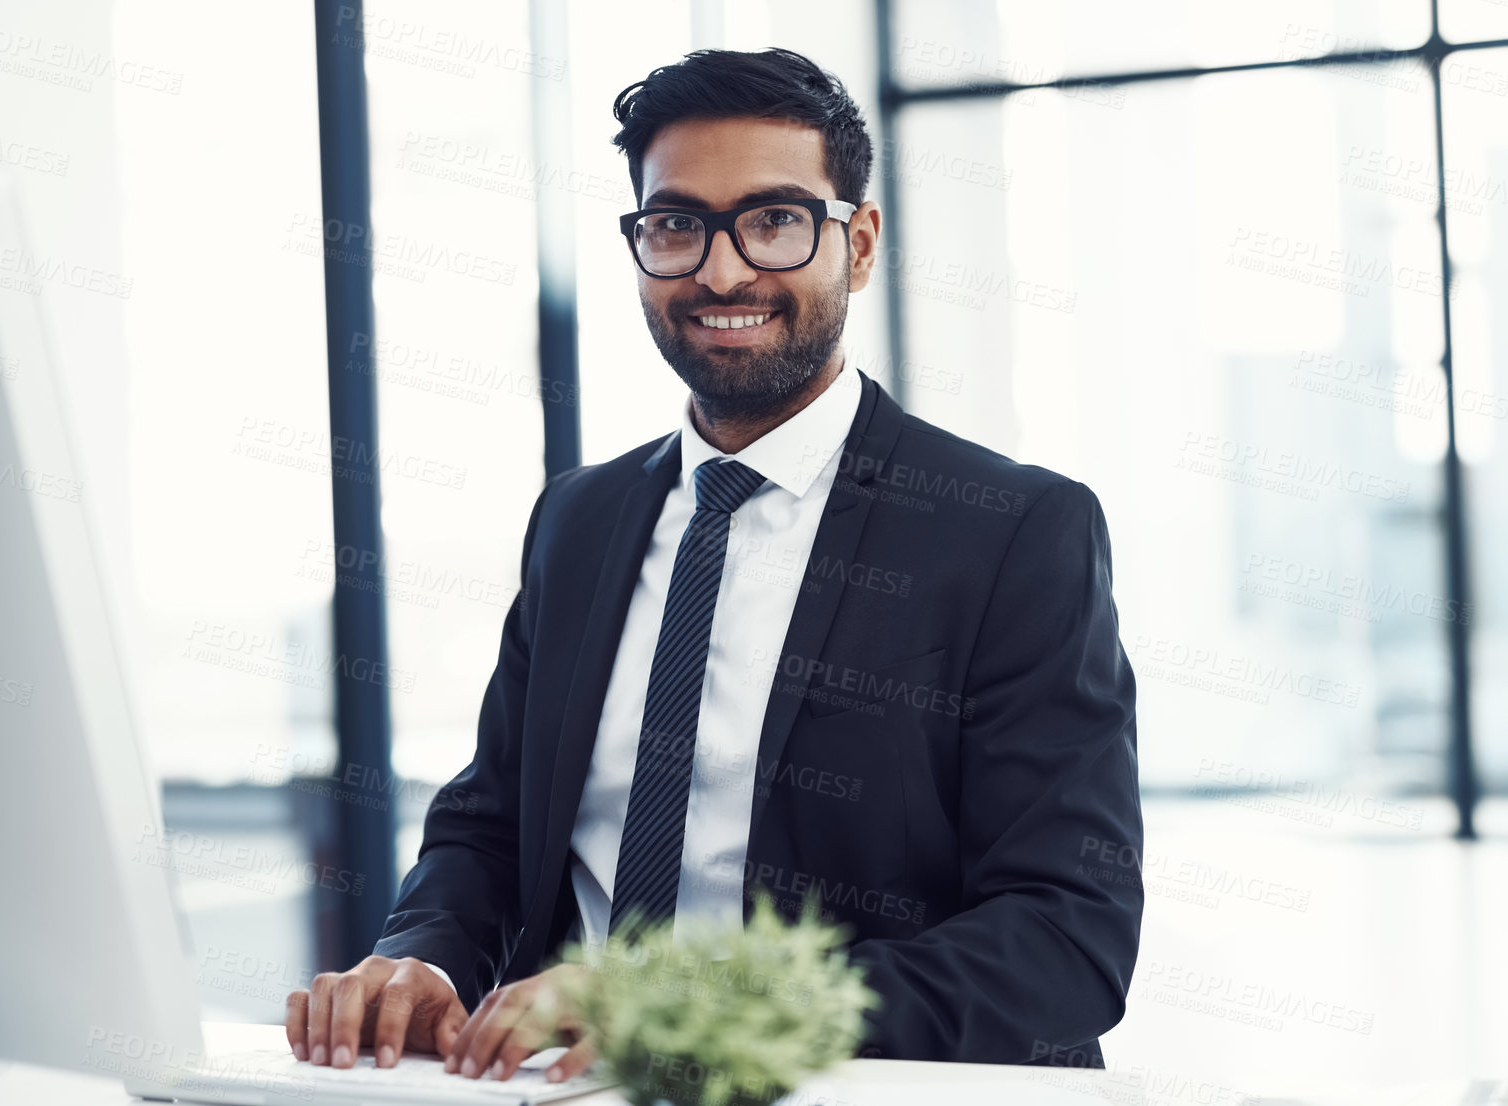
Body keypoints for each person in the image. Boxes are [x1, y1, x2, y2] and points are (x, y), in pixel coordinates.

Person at [285, 46, 1143, 1083]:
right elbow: (490, 823)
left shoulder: (1010, 530)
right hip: (573, 1082)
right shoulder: (581, 516)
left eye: (774, 220)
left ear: (857, 242)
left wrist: (681, 1005)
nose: (721, 269)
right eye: (676, 224)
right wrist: (417, 954)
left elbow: (1064, 938)